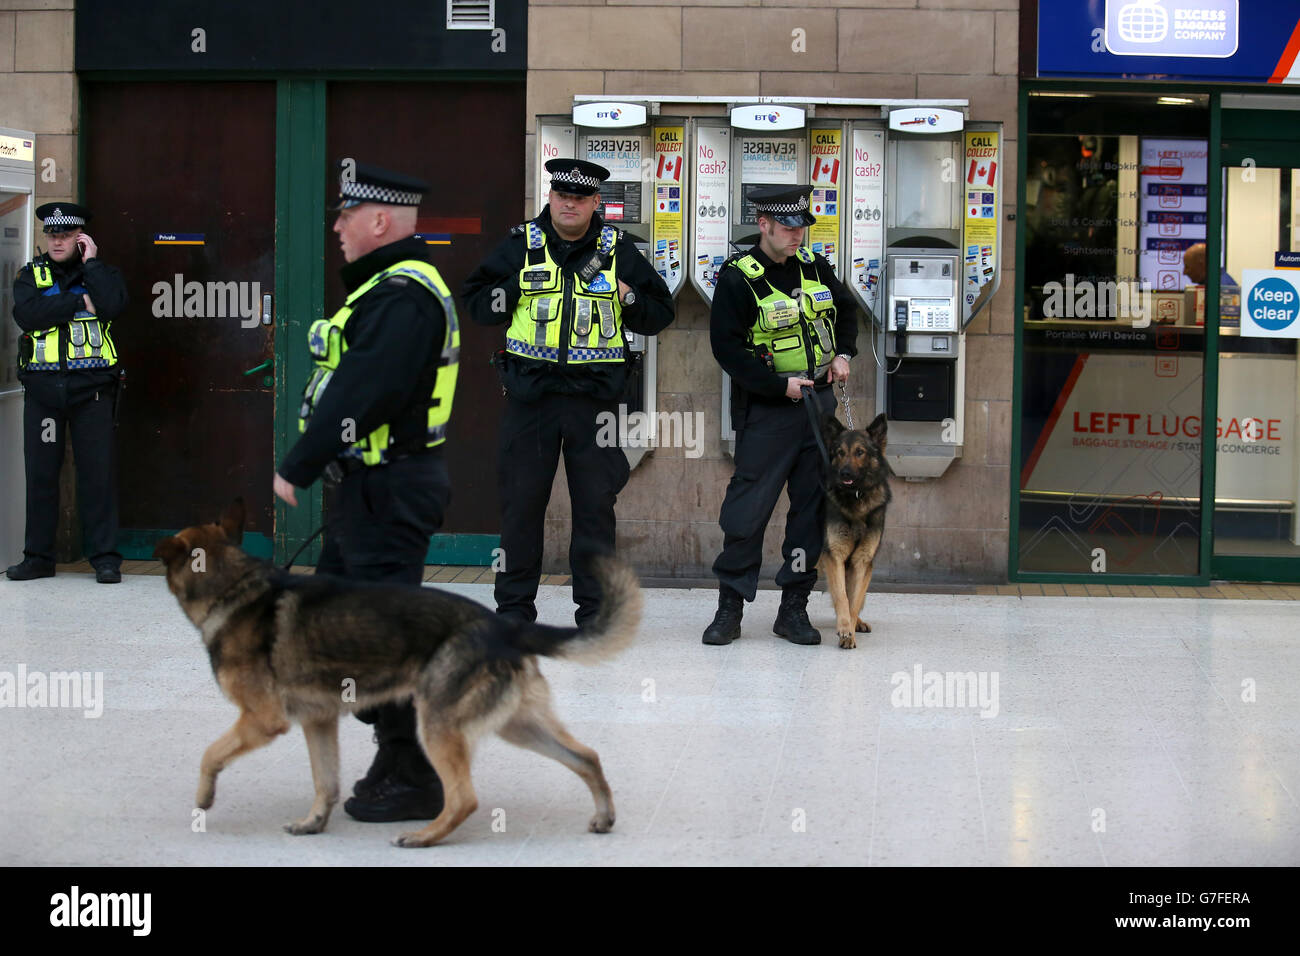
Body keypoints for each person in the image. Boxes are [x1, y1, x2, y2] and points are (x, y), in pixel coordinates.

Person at [274, 161, 459, 823]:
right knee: (344, 627)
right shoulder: (389, 288)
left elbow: (367, 391)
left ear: (378, 220)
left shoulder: (402, 295)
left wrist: (298, 463)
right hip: (370, 489)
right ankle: (396, 753)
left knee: (383, 635)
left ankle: (414, 771)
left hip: (388, 489)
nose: (336, 228)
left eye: (345, 216)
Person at [462, 158, 673, 627]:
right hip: (529, 400)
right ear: (551, 198)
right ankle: (515, 611)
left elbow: (661, 312)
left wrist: (628, 296)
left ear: (597, 202)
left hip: (593, 402)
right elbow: (476, 302)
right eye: (562, 196)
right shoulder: (521, 245)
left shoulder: (619, 249)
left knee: (596, 510)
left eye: (580, 198)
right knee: (521, 507)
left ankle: (595, 613)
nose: (569, 204)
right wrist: (512, 287)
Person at [702, 184, 860, 646]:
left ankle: (793, 609)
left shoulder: (815, 266)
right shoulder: (737, 277)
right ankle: (729, 608)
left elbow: (846, 312)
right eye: (788, 228)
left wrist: (843, 354)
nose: (796, 236)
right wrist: (777, 385)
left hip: (820, 407)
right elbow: (726, 348)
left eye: (801, 228)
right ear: (764, 225)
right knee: (748, 511)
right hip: (769, 411)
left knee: (810, 511)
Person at [7, 203, 128, 584]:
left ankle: (105, 558)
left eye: (65, 235)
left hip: (91, 393)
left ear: (81, 238)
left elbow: (113, 305)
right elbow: (28, 315)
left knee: (98, 476)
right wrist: (77, 301)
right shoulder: (31, 275)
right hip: (44, 393)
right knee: (41, 476)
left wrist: (91, 266)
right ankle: (39, 557)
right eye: (51, 234)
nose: (57, 241)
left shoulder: (102, 274)